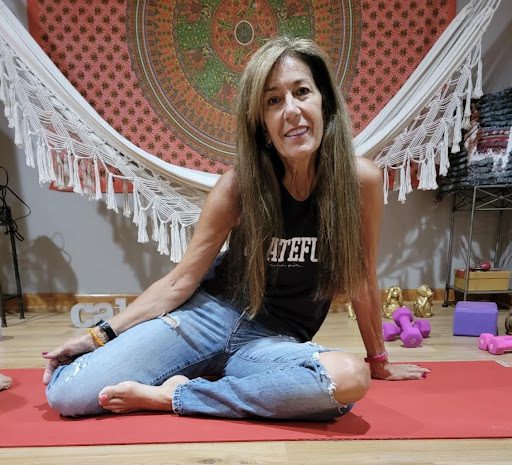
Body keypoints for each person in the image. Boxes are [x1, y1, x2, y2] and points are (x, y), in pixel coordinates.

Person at [43, 36, 429, 420]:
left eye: (301, 92)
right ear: (262, 124)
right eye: (273, 101)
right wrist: (98, 335)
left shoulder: (360, 181)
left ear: (323, 102)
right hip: (207, 318)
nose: (291, 110)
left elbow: (362, 277)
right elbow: (179, 283)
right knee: (68, 395)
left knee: (349, 379)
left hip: (271, 343)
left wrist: (378, 361)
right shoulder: (237, 186)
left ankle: (175, 395)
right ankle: (218, 384)